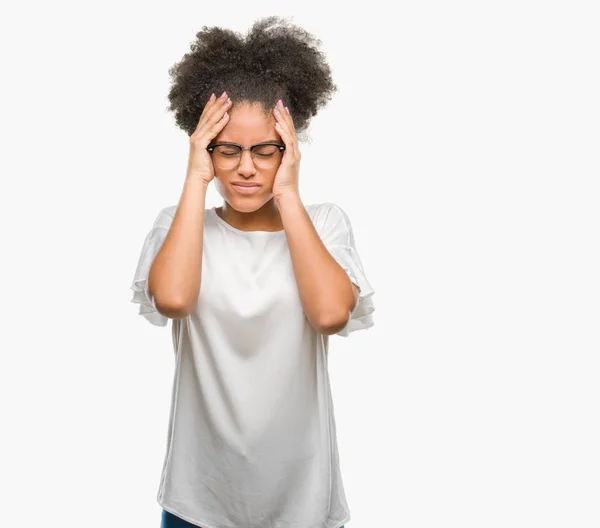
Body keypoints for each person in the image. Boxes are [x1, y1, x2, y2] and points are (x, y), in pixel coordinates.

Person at [130, 16, 375, 528]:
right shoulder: (180, 227)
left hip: (302, 500)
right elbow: (173, 299)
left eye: (265, 151)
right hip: (200, 498)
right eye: (228, 150)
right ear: (206, 149)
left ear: (290, 148)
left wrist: (287, 193)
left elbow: (331, 313)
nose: (246, 168)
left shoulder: (323, 224)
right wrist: (196, 177)